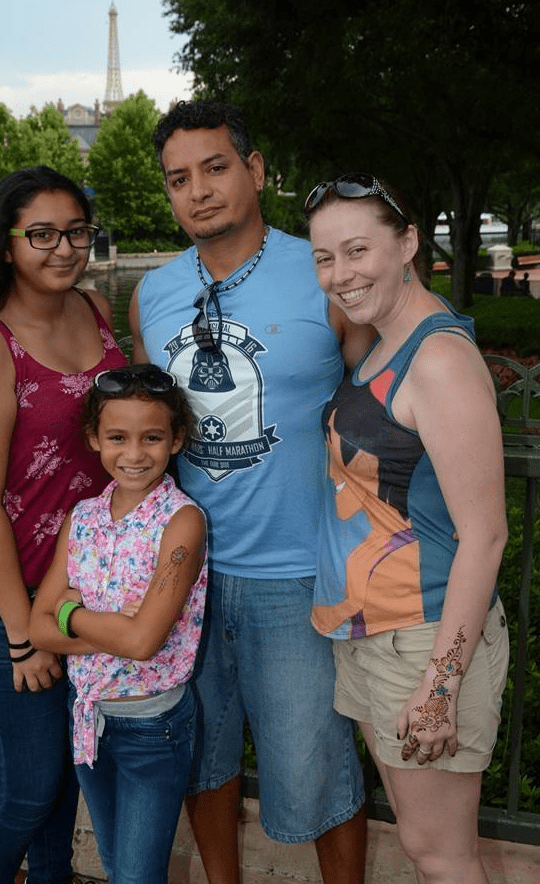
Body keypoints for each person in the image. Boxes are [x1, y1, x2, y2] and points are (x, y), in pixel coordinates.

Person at [129, 100, 370, 884]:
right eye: (178, 179)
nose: (197, 191)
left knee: (320, 769)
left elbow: (384, 409)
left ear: (255, 169)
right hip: (186, 574)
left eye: (215, 168)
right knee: (201, 760)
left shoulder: (326, 274)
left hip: (299, 574)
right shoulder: (152, 294)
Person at [0, 166, 128, 884]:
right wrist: (21, 634)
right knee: (29, 786)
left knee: (65, 773)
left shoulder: (94, 308)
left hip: (82, 589)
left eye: (75, 231)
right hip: (3, 598)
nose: (63, 248)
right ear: (6, 244)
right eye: (41, 234)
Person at [305, 173, 509, 884]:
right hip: (373, 634)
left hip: (423, 639)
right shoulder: (380, 342)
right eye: (325, 258)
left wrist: (441, 685)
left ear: (409, 244)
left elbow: (486, 536)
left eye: (358, 250)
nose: (341, 274)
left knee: (442, 856)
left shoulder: (439, 360)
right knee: (425, 848)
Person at [29, 363, 207, 884]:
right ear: (94, 438)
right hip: (88, 718)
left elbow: (143, 641)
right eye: (117, 438)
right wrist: (109, 629)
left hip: (152, 728)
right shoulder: (82, 517)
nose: (134, 454)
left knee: (135, 877)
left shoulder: (182, 522)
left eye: (152, 438)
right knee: (117, 867)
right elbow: (37, 629)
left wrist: (70, 614)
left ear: (176, 440)